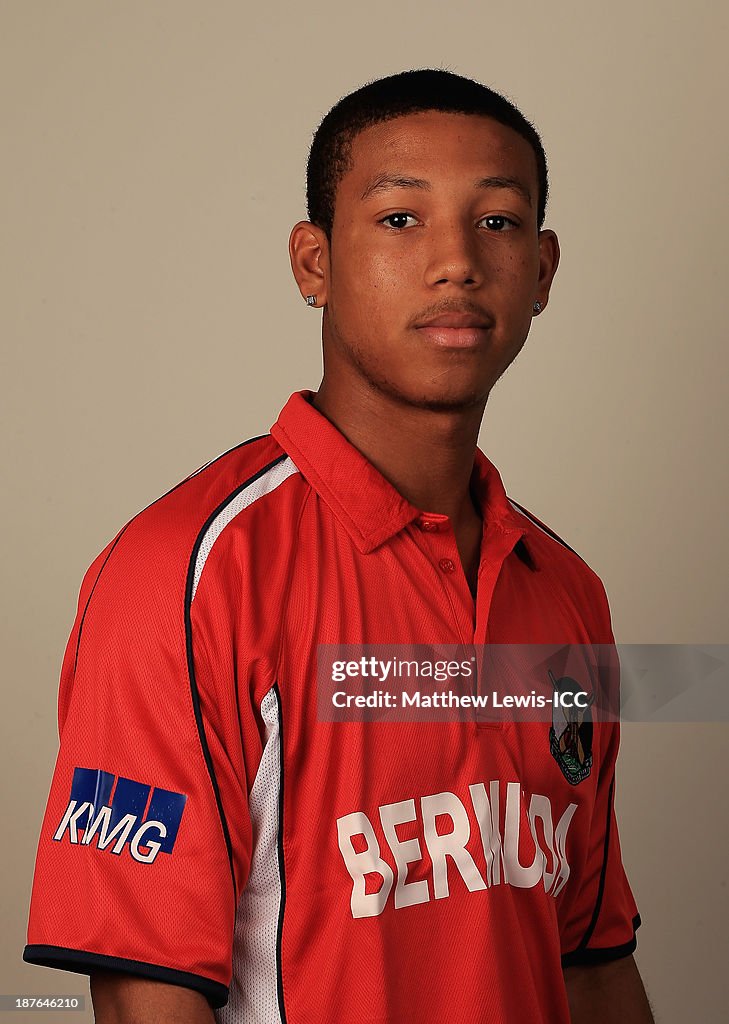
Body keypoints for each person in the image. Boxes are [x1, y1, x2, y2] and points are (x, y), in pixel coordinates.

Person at [24, 68, 654, 1023]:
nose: (455, 262)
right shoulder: (189, 573)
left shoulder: (564, 591)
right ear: (313, 263)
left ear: (541, 270)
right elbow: (145, 993)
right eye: (400, 219)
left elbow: (590, 963)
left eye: (496, 221)